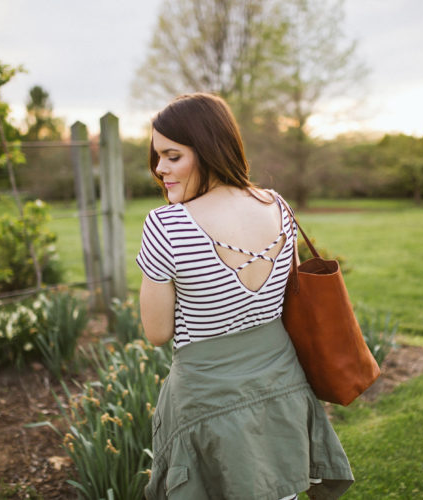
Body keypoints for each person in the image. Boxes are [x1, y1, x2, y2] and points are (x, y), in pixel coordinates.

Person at [137, 93, 353, 500]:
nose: (159, 168)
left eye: (172, 156)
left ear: (207, 150)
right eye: (157, 156)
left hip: (209, 400)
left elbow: (157, 331)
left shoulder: (166, 225)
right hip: (282, 389)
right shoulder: (278, 206)